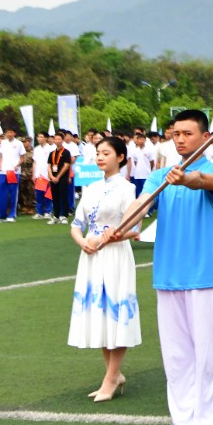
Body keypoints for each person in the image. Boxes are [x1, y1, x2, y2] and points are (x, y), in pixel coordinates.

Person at [149, 109, 213, 425]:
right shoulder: (159, 177)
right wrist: (116, 230)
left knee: (208, 358)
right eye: (176, 134)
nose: (180, 139)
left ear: (205, 136)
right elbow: (139, 206)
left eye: (187, 133)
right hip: (168, 278)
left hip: (206, 278)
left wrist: (186, 179)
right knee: (177, 360)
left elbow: (202, 182)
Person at [69, 135, 143, 400]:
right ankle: (113, 373)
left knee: (116, 310)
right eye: (98, 153)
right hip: (91, 256)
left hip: (114, 256)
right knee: (99, 312)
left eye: (106, 153)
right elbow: (76, 224)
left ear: (121, 158)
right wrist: (83, 242)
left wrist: (108, 238)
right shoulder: (91, 188)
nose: (100, 157)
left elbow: (134, 228)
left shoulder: (127, 189)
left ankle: (111, 379)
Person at [0, 127, 27, 222]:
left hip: (13, 172)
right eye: (7, 132)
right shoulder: (3, 142)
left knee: (13, 194)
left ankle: (12, 215)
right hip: (3, 172)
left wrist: (17, 165)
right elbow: (2, 156)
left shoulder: (19, 143)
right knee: (1, 193)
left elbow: (22, 157)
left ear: (14, 133)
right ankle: (2, 215)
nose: (9, 134)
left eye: (11, 132)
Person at [48, 133, 76, 225]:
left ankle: (64, 215)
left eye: (59, 139)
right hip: (53, 178)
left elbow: (66, 165)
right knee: (55, 197)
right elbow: (49, 165)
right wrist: (51, 176)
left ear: (62, 140)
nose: (57, 141)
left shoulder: (66, 152)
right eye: (55, 139)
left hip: (63, 178)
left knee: (63, 196)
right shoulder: (52, 153)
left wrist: (58, 176)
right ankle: (56, 216)